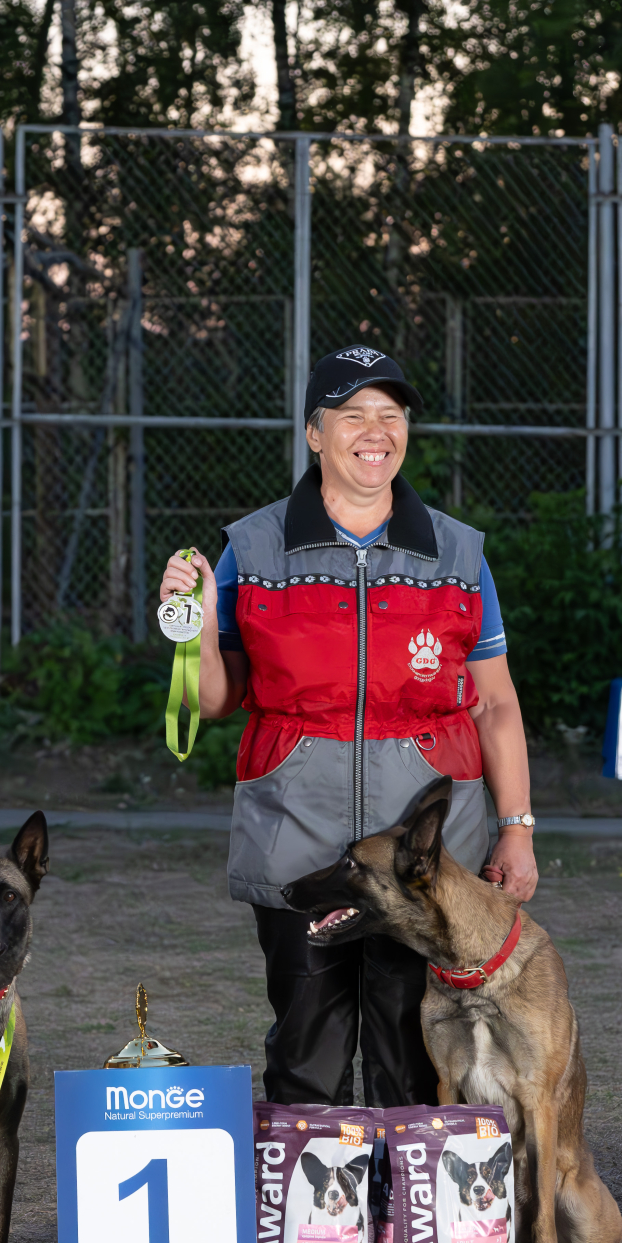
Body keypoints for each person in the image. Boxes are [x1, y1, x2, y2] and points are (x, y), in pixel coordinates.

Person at [157, 347, 538, 1108]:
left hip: (425, 861)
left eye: (391, 416)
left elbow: (494, 702)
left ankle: (406, 1227)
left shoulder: (458, 554)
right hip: (299, 842)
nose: (376, 432)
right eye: (353, 414)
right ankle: (315, 1230)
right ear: (314, 433)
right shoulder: (254, 547)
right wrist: (190, 629)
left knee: (413, 1059)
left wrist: (517, 827)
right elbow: (217, 699)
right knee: (307, 1059)